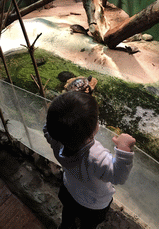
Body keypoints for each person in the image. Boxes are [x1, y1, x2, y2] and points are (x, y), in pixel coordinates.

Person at [43, 91, 135, 229]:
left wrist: (57, 121)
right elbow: (118, 176)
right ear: (94, 130)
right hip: (93, 205)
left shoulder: (56, 139)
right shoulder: (95, 157)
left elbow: (47, 129)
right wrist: (124, 148)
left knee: (68, 215)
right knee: (88, 225)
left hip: (69, 190)